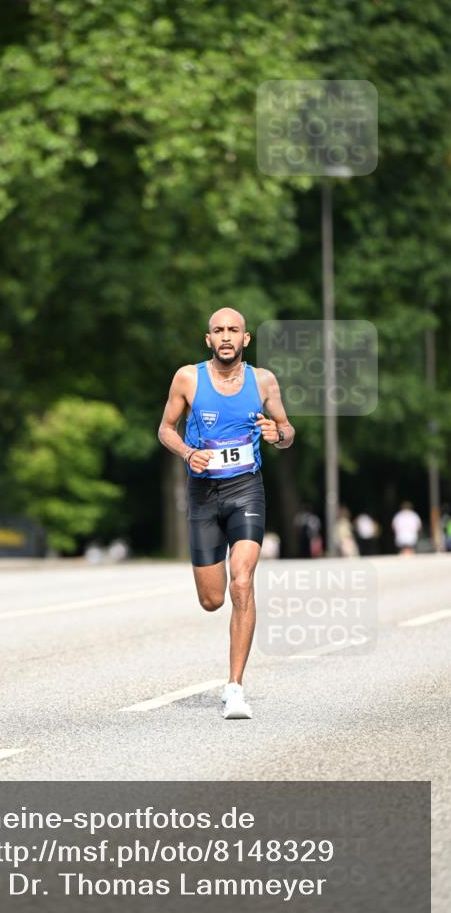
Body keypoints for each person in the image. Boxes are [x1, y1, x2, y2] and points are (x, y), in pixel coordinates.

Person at [158, 307, 295, 720]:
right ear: (208, 339)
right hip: (203, 493)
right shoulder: (188, 378)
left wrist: (278, 434)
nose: (226, 336)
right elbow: (165, 428)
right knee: (212, 599)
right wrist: (188, 452)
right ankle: (232, 678)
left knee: (242, 582)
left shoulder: (263, 381)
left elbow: (286, 431)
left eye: (233, 330)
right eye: (218, 330)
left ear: (245, 339)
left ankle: (234, 687)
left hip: (245, 488)